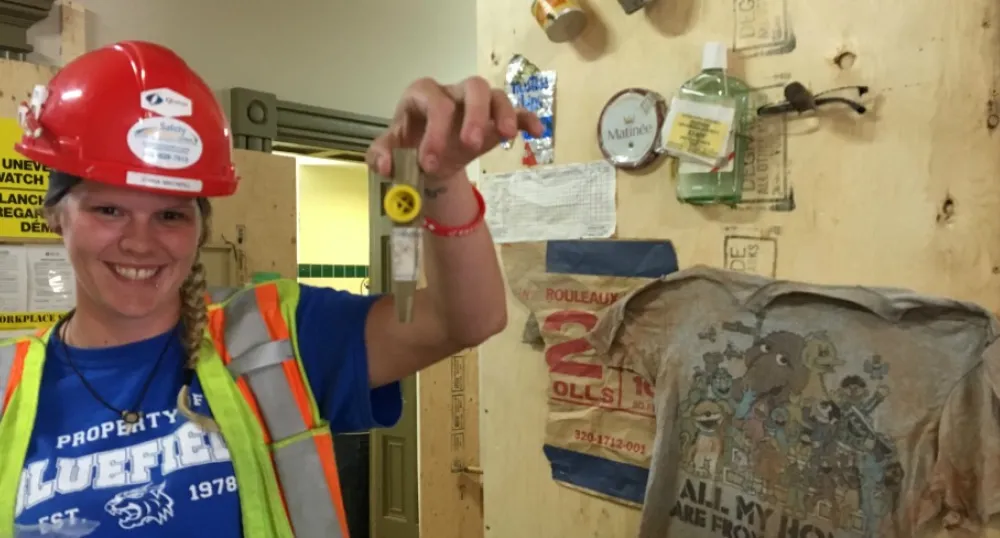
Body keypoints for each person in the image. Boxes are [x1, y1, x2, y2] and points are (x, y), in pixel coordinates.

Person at [0, 41, 543, 537]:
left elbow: (466, 321)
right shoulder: (9, 387)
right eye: (109, 209)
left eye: (170, 214)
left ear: (201, 227)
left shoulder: (274, 333)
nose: (140, 242)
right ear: (56, 216)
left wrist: (438, 177)